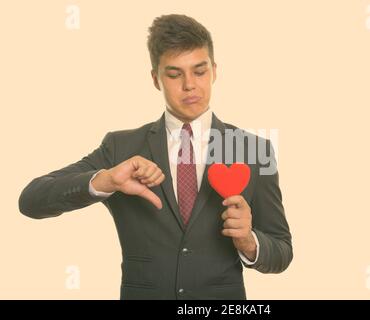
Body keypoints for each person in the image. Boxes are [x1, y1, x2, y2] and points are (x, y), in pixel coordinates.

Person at [18, 14, 292, 300]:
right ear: (155, 79)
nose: (189, 85)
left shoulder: (253, 149)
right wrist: (105, 180)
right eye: (174, 74)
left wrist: (250, 242)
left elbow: (283, 251)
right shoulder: (120, 148)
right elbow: (30, 200)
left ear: (214, 71)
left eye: (199, 71)